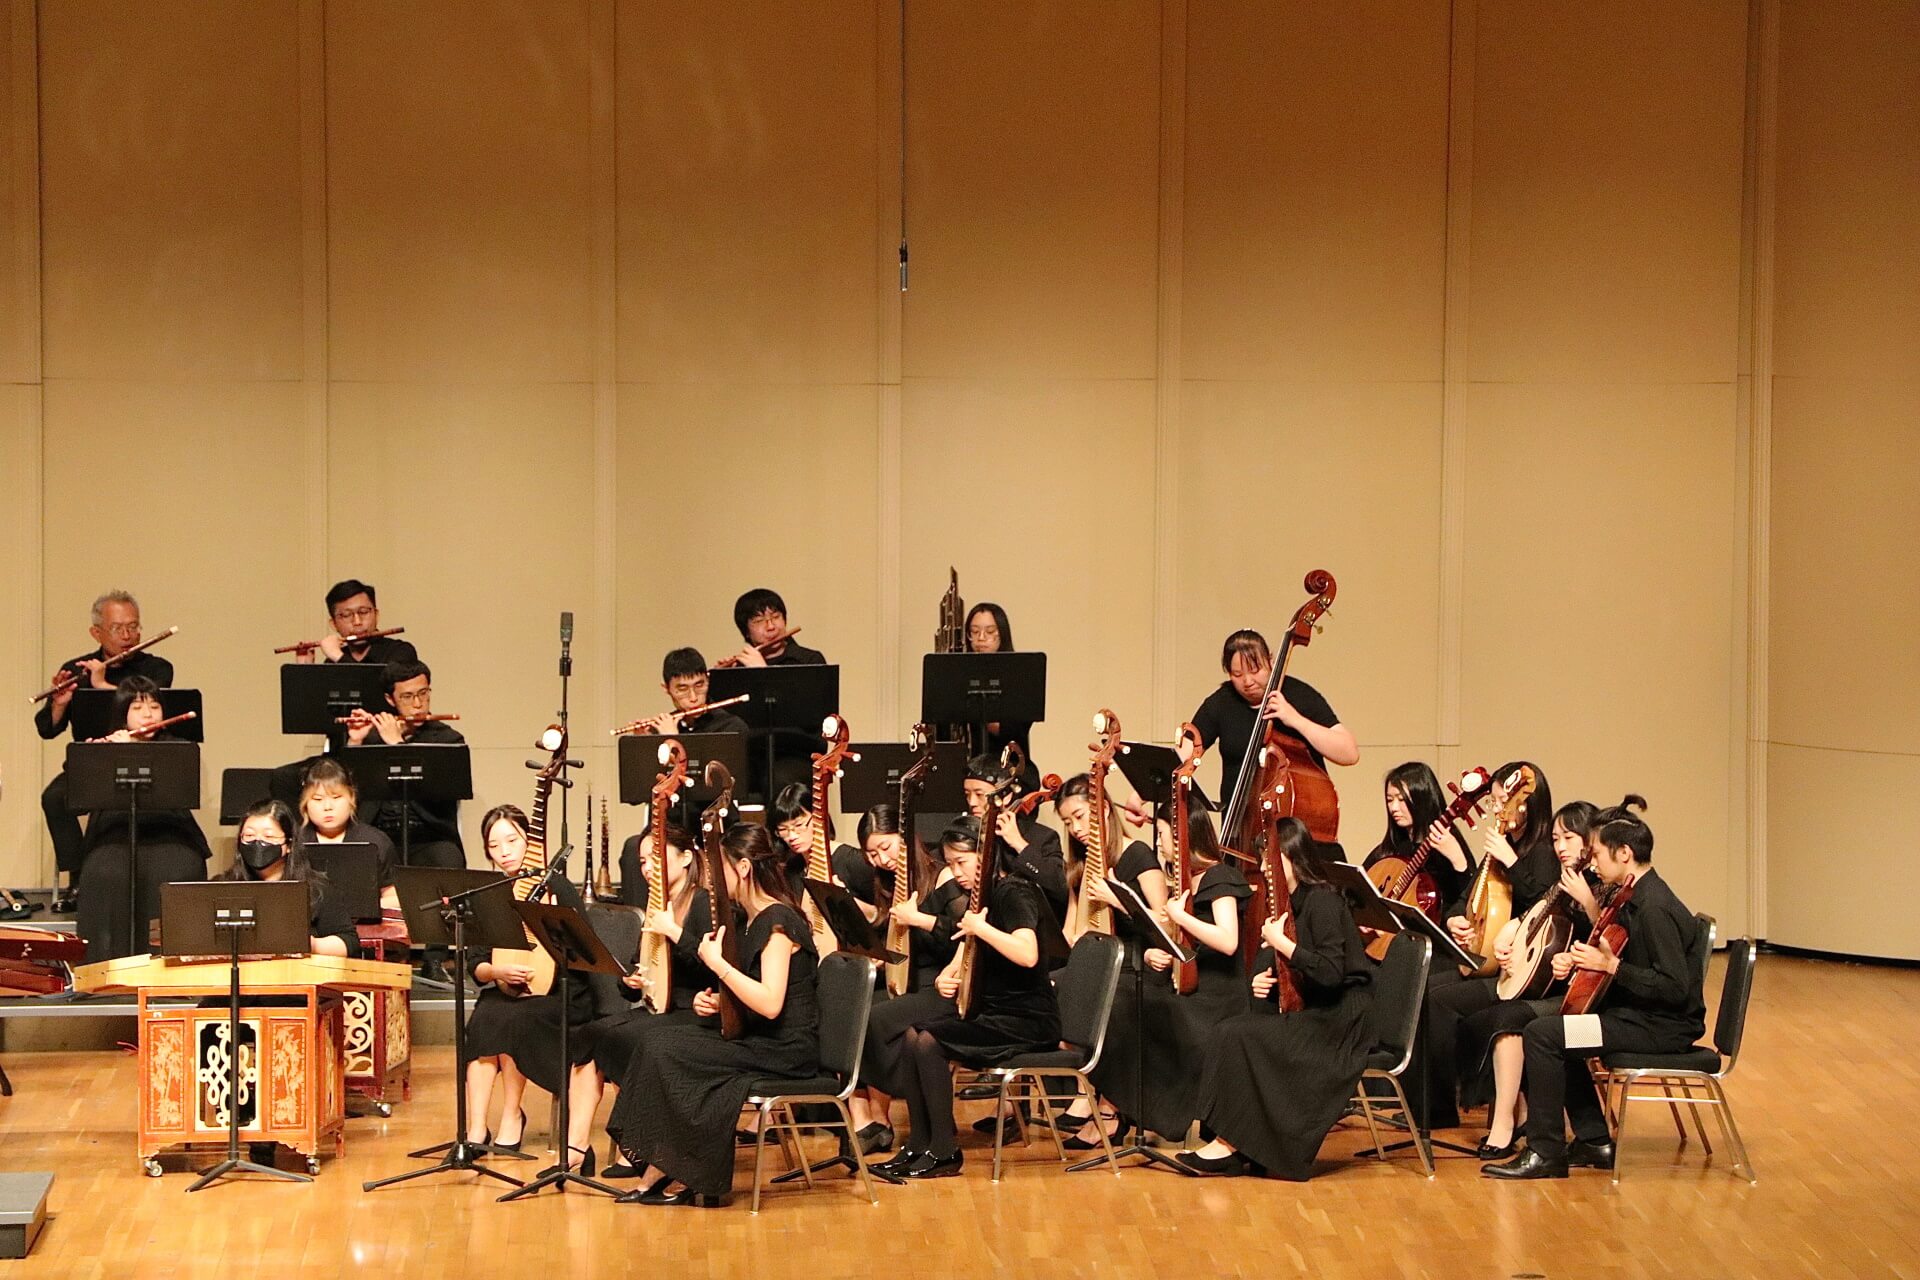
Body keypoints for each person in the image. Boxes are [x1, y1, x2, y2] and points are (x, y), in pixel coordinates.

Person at [1484, 796, 1707, 1179]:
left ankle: (1545, 1152)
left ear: (1624, 854)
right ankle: (1593, 1141)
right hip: (1636, 1017)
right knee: (1553, 1032)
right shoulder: (1633, 896)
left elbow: (1674, 987)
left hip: (1658, 1028)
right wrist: (1583, 961)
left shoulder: (1654, 907)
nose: (1594, 862)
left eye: (1599, 854)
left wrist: (1611, 966)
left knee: (1543, 1035)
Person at [609, 822, 820, 1207]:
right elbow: (754, 993)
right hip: (759, 1036)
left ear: (743, 868)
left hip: (785, 1048)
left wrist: (718, 965)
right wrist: (720, 1004)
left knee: (670, 1051)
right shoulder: (749, 918)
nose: (712, 879)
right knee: (656, 1040)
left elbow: (771, 1003)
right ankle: (663, 1163)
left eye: (718, 869)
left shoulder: (779, 922)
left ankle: (679, 1168)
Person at [1181, 818, 1373, 1180]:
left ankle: (1230, 1145)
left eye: (1270, 859)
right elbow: (1299, 969)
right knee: (1230, 1031)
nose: (1265, 868)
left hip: (1341, 1020)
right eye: (1262, 860)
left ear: (1291, 855)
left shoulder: (1322, 899)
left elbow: (1331, 973)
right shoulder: (1291, 903)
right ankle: (1233, 1142)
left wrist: (1282, 943)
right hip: (1318, 1009)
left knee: (1240, 1035)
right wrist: (1267, 981)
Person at [874, 818, 1064, 1180]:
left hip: (1028, 1019)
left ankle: (944, 1151)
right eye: (950, 863)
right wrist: (950, 973)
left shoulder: (1014, 892)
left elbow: (1027, 954)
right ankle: (918, 1143)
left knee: (928, 1041)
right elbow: (968, 946)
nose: (956, 872)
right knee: (913, 1035)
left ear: (986, 855)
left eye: (962, 862)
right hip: (994, 1013)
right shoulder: (983, 896)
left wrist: (983, 928)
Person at [1418, 760, 1558, 1129]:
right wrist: (1456, 920)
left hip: (1520, 972)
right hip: (1488, 961)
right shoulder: (1501, 846)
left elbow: (1543, 905)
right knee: (1425, 986)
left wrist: (1510, 860)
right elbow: (1466, 899)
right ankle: (1435, 1101)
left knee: (1439, 1000)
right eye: (1494, 801)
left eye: (1500, 801)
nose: (1496, 808)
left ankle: (1451, 1103)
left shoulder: (1543, 851)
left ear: (1523, 804)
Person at [572, 819, 715, 1177]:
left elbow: (713, 967)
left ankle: (639, 1146)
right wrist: (631, 981)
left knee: (629, 1038)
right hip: (660, 1008)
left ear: (685, 858)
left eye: (655, 857)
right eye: (642, 861)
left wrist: (674, 932)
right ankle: (576, 1148)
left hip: (694, 1011)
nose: (648, 867)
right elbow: (644, 967)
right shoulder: (657, 905)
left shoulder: (701, 902)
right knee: (591, 1034)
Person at [1464, 800, 1601, 1158]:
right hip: (1553, 985)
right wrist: (1510, 933)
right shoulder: (1563, 880)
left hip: (1585, 998)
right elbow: (1536, 913)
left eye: (1569, 838)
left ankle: (1507, 1125)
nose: (1560, 846)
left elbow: (1608, 937)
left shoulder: (1599, 884)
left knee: (1508, 1018)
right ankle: (1513, 1116)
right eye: (1555, 838)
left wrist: (1588, 905)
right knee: (1485, 1011)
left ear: (1590, 841)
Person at [460, 805, 595, 1164]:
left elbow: (584, 947)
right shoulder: (488, 892)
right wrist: (497, 972)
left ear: (529, 842)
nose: (504, 851)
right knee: (485, 1017)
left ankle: (511, 1115)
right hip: (507, 987)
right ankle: (475, 1130)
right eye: (494, 845)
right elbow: (475, 964)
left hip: (561, 992)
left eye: (512, 840)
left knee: (513, 1019)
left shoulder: (556, 886)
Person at [36, 589, 175, 915]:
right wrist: (59, 704)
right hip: (92, 765)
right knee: (54, 798)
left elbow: (155, 714)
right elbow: (47, 729)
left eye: (133, 627)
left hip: (144, 761)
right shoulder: (77, 669)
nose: (127, 636)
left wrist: (101, 686)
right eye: (117, 628)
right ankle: (79, 878)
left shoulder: (157, 669)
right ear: (96, 632)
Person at [850, 807, 969, 1153]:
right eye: (872, 854)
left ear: (905, 841)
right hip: (909, 981)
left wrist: (918, 920)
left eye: (885, 848)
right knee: (855, 1011)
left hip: (942, 985)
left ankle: (917, 1108)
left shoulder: (943, 876)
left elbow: (961, 937)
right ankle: (900, 1118)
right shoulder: (888, 882)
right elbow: (902, 946)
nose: (881, 860)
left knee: (875, 1019)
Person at [74, 676, 211, 962]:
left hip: (170, 829)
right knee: (104, 872)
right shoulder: (105, 745)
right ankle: (105, 965)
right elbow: (77, 798)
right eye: (137, 707)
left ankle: (172, 964)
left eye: (155, 706)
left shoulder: (178, 747)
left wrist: (133, 751)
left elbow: (182, 792)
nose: (148, 714)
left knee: (181, 869)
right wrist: (101, 755)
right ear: (122, 713)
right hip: (115, 830)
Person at [1184, 629, 1358, 814]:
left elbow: (1349, 753)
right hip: (1239, 823)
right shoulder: (1221, 702)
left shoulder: (1299, 695)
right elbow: (1182, 756)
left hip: (1294, 824)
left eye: (1255, 670)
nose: (1247, 681)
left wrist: (1295, 719)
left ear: (1271, 661)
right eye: (1237, 674)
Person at [340, 660, 465, 869]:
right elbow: (346, 790)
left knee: (447, 859)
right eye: (407, 696)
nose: (418, 704)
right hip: (379, 834)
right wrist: (356, 742)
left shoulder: (448, 740)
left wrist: (397, 745)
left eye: (423, 693)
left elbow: (441, 795)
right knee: (355, 862)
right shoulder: (372, 738)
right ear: (390, 699)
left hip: (429, 835)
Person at [220, 799, 356, 957]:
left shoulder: (316, 888)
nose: (258, 842)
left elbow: (349, 942)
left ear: (289, 844)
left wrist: (311, 945)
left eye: (268, 836)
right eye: (249, 835)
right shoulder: (222, 885)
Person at [1363, 761, 1477, 923]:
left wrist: (1458, 860)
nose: (1394, 808)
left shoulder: (1447, 841)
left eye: (1402, 799)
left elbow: (1471, 898)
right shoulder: (1391, 847)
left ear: (1421, 799)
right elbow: (1358, 888)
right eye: (1390, 800)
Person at [963, 754, 1067, 923]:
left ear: (1006, 796)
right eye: (967, 794)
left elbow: (1060, 886)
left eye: (979, 794)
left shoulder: (1041, 836)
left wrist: (1019, 844)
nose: (972, 802)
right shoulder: (968, 834)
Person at [295, 756, 400, 909]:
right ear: (305, 803)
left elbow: (395, 897)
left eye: (336, 797)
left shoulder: (376, 841)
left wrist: (360, 907)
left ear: (352, 798)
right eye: (317, 799)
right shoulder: (295, 842)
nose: (328, 806)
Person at [960, 602, 1038, 786]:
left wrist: (977, 708)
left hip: (1009, 767)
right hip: (967, 768)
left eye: (989, 631)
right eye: (974, 631)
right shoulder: (960, 673)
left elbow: (1013, 730)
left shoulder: (1019, 674)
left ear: (1001, 633)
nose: (981, 638)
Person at [618, 648, 752, 738]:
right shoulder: (660, 730)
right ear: (666, 689)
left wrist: (673, 739)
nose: (693, 698)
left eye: (699, 685)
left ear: (708, 680)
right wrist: (645, 744)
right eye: (683, 689)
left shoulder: (731, 728)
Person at [295, 579, 419, 666]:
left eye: (363, 612)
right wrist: (304, 669)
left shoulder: (400, 652)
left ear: (376, 615)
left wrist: (338, 657)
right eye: (346, 615)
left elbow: (373, 689)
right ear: (334, 624)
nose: (357, 622)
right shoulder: (332, 662)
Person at [723, 588, 825, 669]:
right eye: (759, 621)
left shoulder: (810, 661)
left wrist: (762, 672)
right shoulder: (740, 668)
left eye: (776, 617)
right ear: (746, 631)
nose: (771, 626)